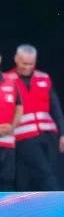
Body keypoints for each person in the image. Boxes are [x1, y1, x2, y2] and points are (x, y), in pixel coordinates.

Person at [5, 45, 64, 192]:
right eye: (24, 63)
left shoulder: (43, 78)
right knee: (46, 175)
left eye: (31, 64)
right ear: (16, 59)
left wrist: (63, 133)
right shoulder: (7, 80)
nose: (27, 67)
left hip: (49, 136)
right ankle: (57, 202)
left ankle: (41, 210)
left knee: (39, 174)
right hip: (23, 137)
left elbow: (56, 108)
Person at [0, 53, 20, 193]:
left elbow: (19, 107)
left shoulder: (10, 81)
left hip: (7, 143)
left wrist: (12, 126)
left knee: (7, 182)